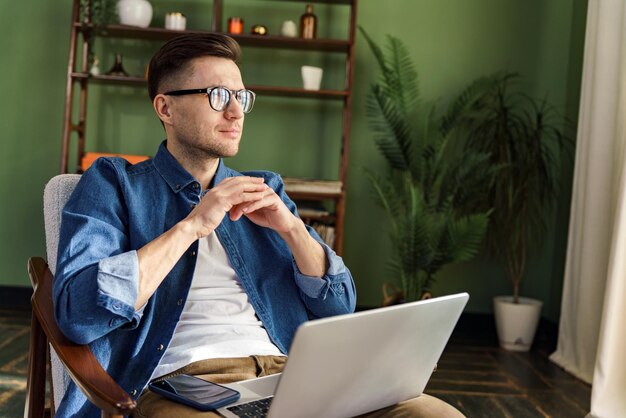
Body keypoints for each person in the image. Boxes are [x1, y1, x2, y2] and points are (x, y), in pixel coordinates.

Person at [53, 33, 464, 417]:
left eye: (240, 96)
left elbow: (339, 306)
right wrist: (192, 225)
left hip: (292, 375)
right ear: (166, 108)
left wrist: (292, 229)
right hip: (184, 384)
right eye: (216, 96)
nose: (235, 111)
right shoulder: (113, 184)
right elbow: (79, 313)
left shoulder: (264, 189)